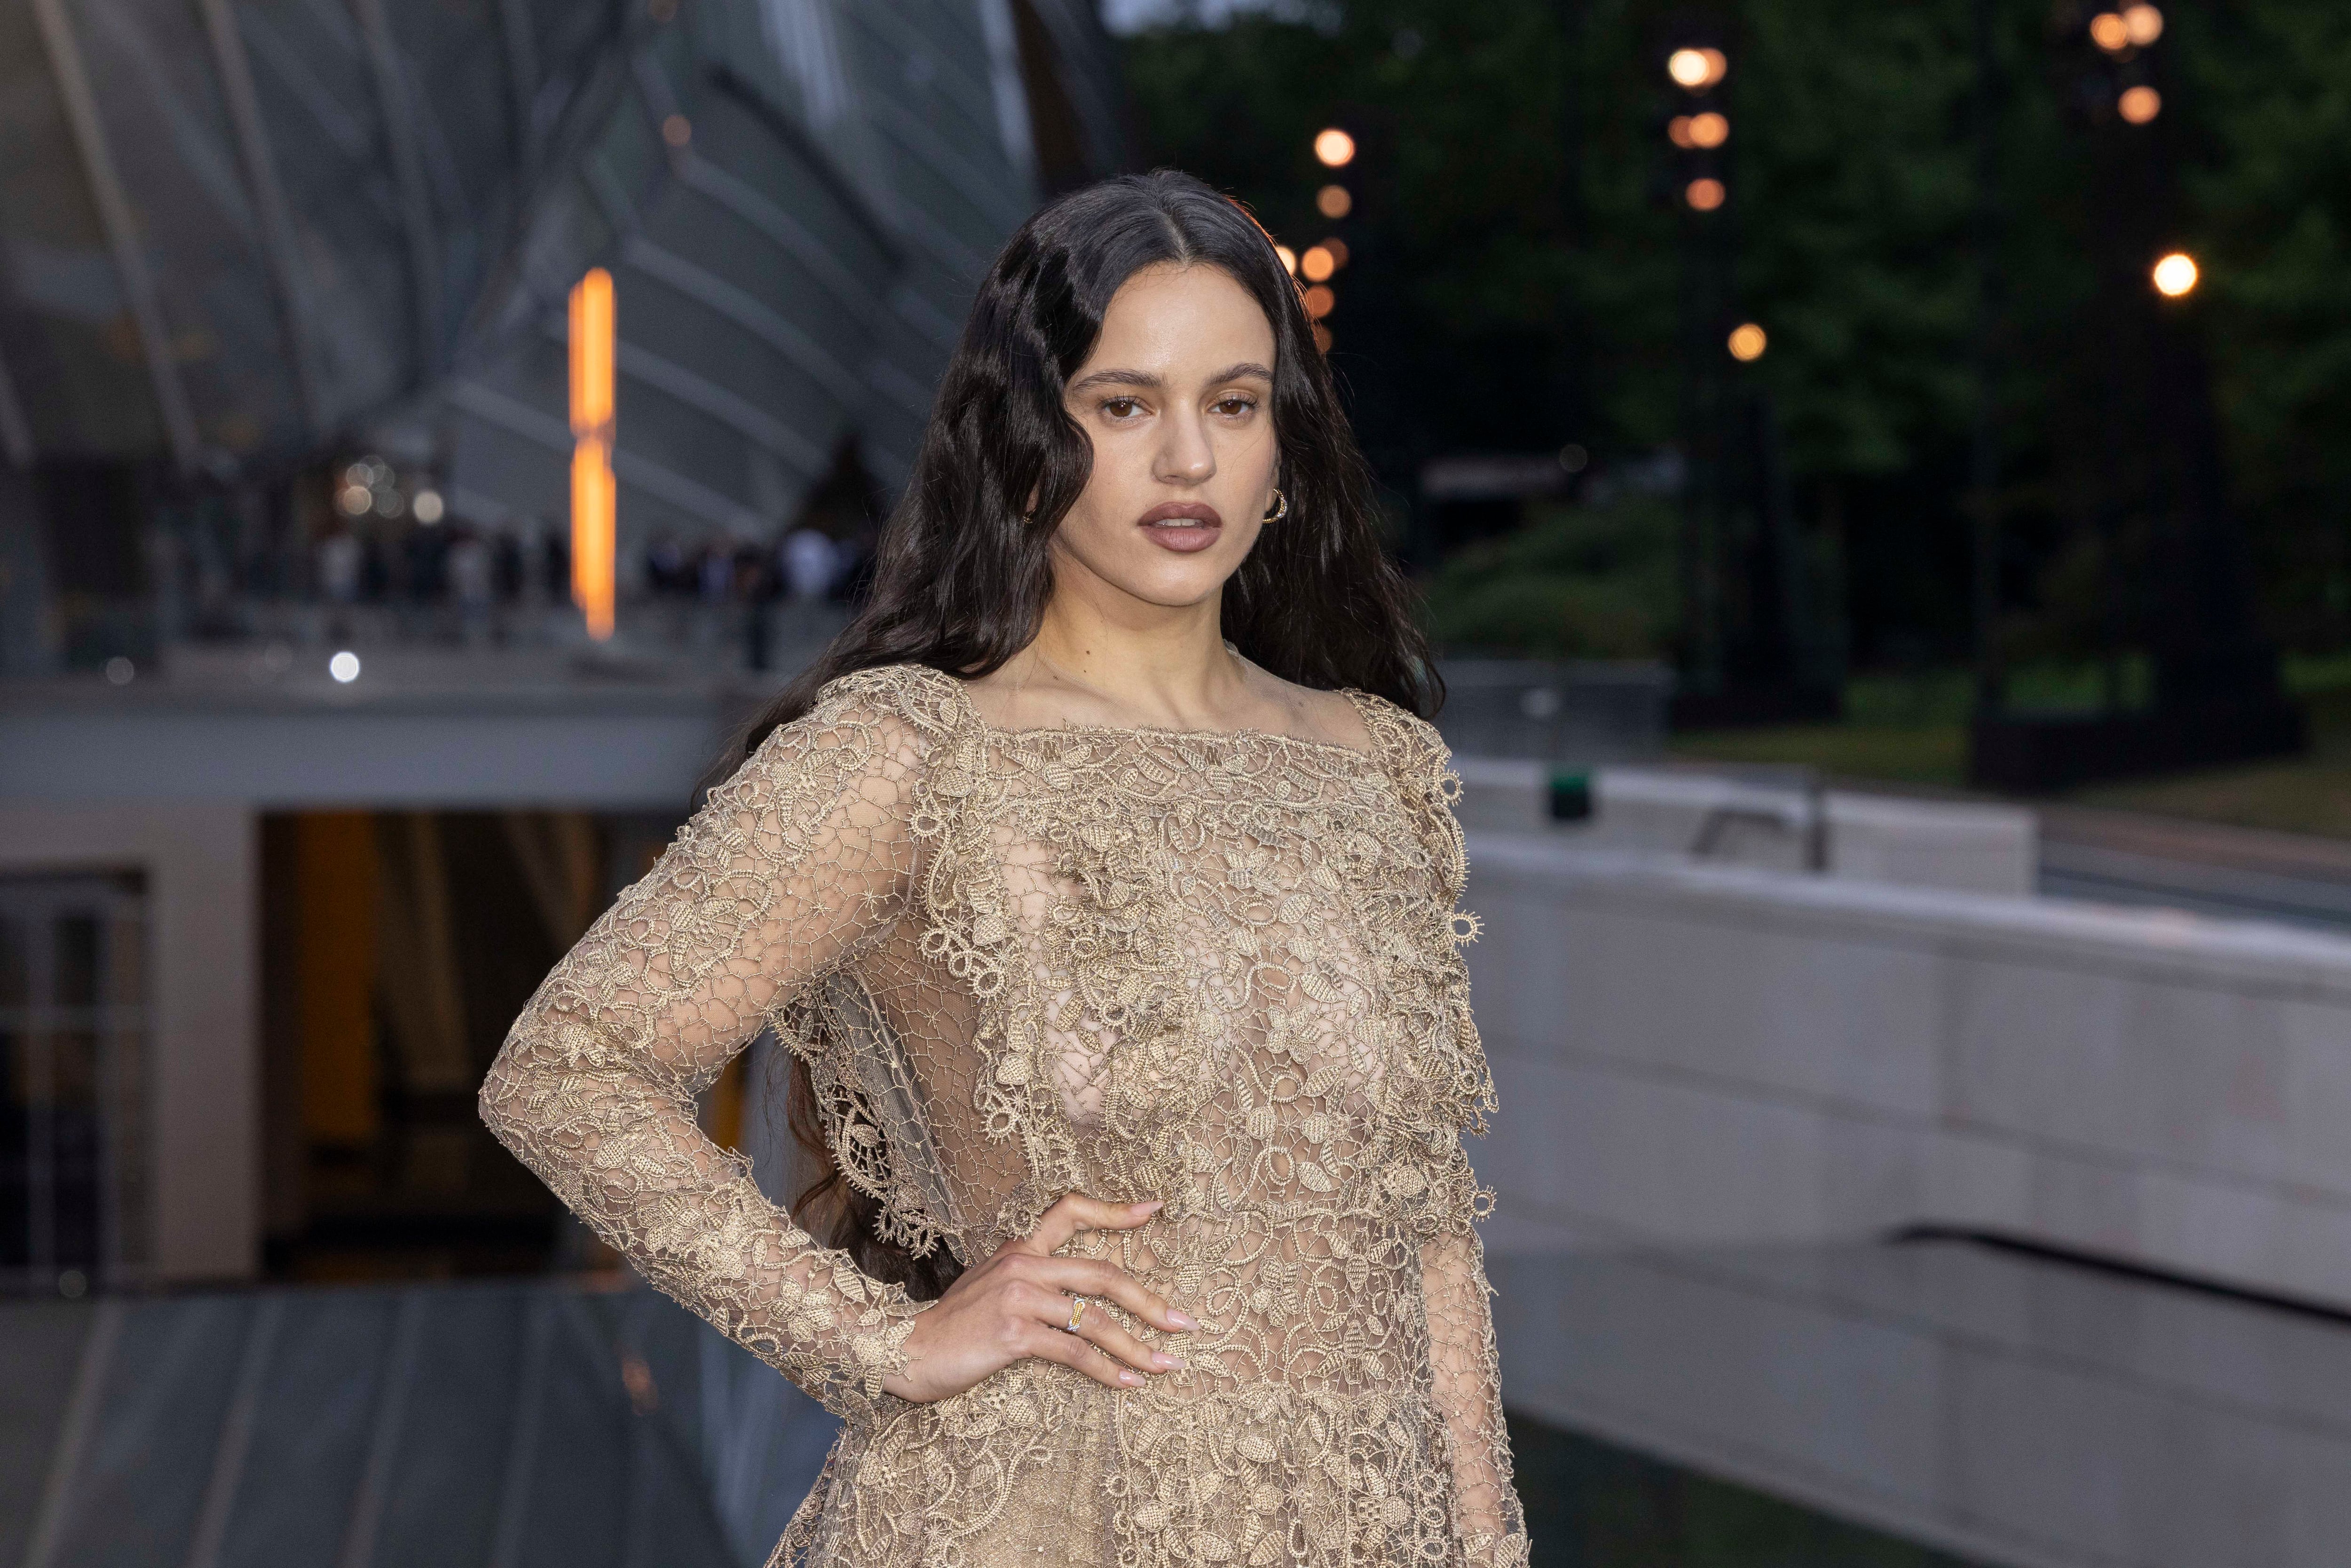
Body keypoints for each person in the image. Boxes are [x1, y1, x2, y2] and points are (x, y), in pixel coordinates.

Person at [479, 169, 1527, 1568]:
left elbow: (1428, 1239)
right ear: (1030, 440)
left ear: (1286, 442)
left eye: (1233, 403)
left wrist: (1485, 1540)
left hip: (1371, 1525)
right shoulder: (914, 752)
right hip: (1045, 1512)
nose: (1188, 463)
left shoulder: (1377, 765)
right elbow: (566, 1067)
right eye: (1122, 405)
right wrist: (882, 1342)